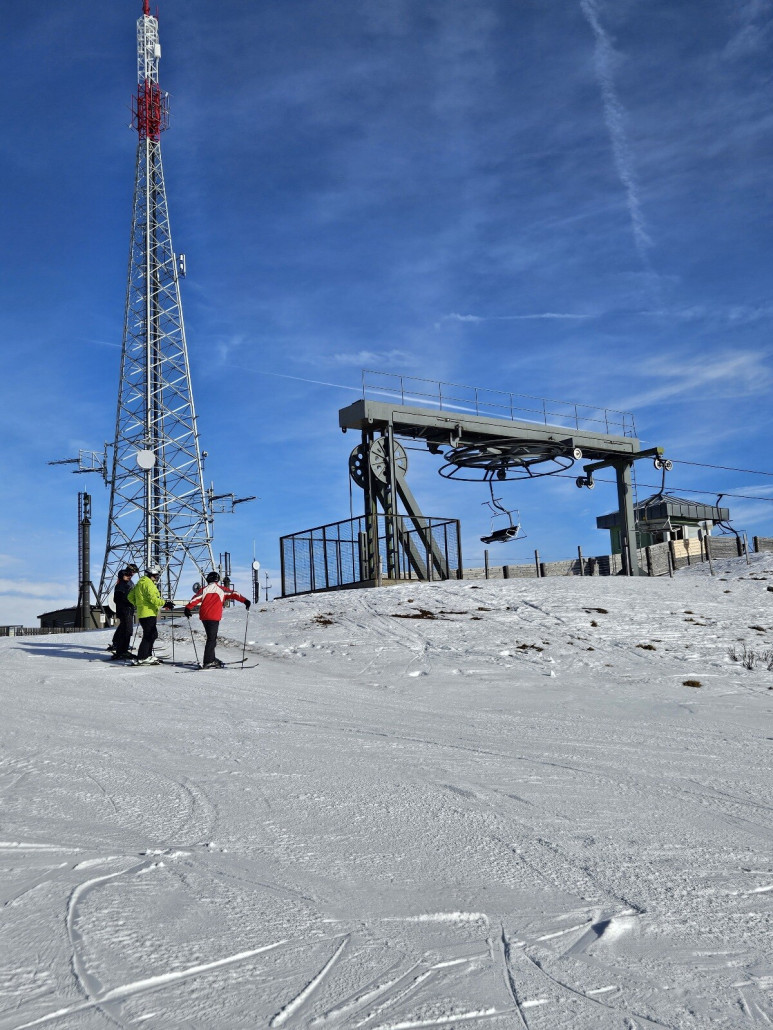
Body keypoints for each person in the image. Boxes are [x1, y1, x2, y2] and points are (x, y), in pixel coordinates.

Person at [184, 571, 250, 669]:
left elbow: (195, 599)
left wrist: (188, 608)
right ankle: (208, 661)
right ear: (217, 579)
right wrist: (245, 601)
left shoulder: (204, 589)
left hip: (204, 617)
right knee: (211, 639)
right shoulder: (221, 589)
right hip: (213, 617)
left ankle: (212, 658)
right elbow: (234, 594)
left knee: (212, 638)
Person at [128, 564, 172, 665]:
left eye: (156, 576)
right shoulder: (149, 584)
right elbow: (153, 599)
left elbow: (130, 596)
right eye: (154, 576)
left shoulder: (140, 583)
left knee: (152, 634)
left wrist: (139, 604)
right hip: (149, 613)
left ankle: (147, 655)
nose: (156, 578)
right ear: (149, 575)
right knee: (149, 635)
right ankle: (142, 657)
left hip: (143, 613)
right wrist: (165, 603)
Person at [109, 564, 139, 660]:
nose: (132, 575)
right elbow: (117, 598)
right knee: (127, 630)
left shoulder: (128, 582)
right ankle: (122, 651)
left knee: (125, 629)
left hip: (128, 609)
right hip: (124, 609)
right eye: (132, 572)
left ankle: (121, 649)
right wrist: (129, 601)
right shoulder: (122, 583)